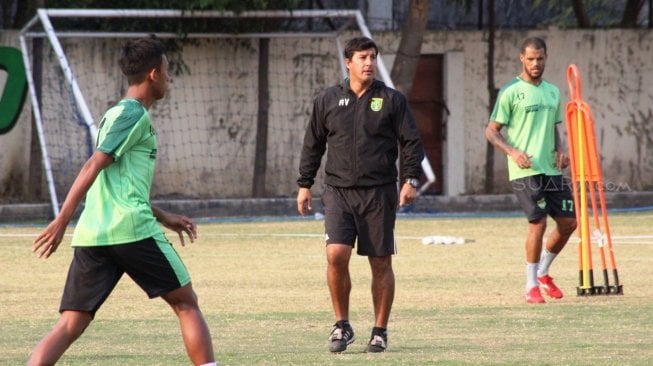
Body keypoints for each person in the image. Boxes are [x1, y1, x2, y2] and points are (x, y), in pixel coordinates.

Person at [28, 38, 216, 365]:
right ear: (154, 74)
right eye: (168, 72)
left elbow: (116, 183)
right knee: (186, 303)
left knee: (72, 322)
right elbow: (93, 165)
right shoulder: (133, 115)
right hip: (131, 230)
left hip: (95, 233)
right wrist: (61, 220)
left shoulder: (114, 114)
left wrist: (162, 215)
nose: (170, 78)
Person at [296, 37, 424, 353]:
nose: (369, 63)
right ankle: (342, 325)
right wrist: (304, 183)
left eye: (373, 57)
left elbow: (410, 142)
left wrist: (410, 179)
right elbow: (313, 143)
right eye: (362, 57)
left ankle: (379, 331)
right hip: (338, 192)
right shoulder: (326, 100)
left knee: (380, 262)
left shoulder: (392, 100)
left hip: (379, 193)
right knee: (336, 255)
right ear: (348, 62)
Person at [485, 37, 577, 304]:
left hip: (551, 170)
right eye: (531, 59)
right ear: (521, 59)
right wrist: (512, 152)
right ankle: (530, 286)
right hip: (524, 171)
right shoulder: (511, 91)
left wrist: (560, 150)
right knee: (538, 222)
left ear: (546, 58)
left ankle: (544, 273)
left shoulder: (552, 91)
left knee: (569, 223)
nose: (536, 63)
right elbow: (491, 131)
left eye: (540, 58)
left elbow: (553, 127)